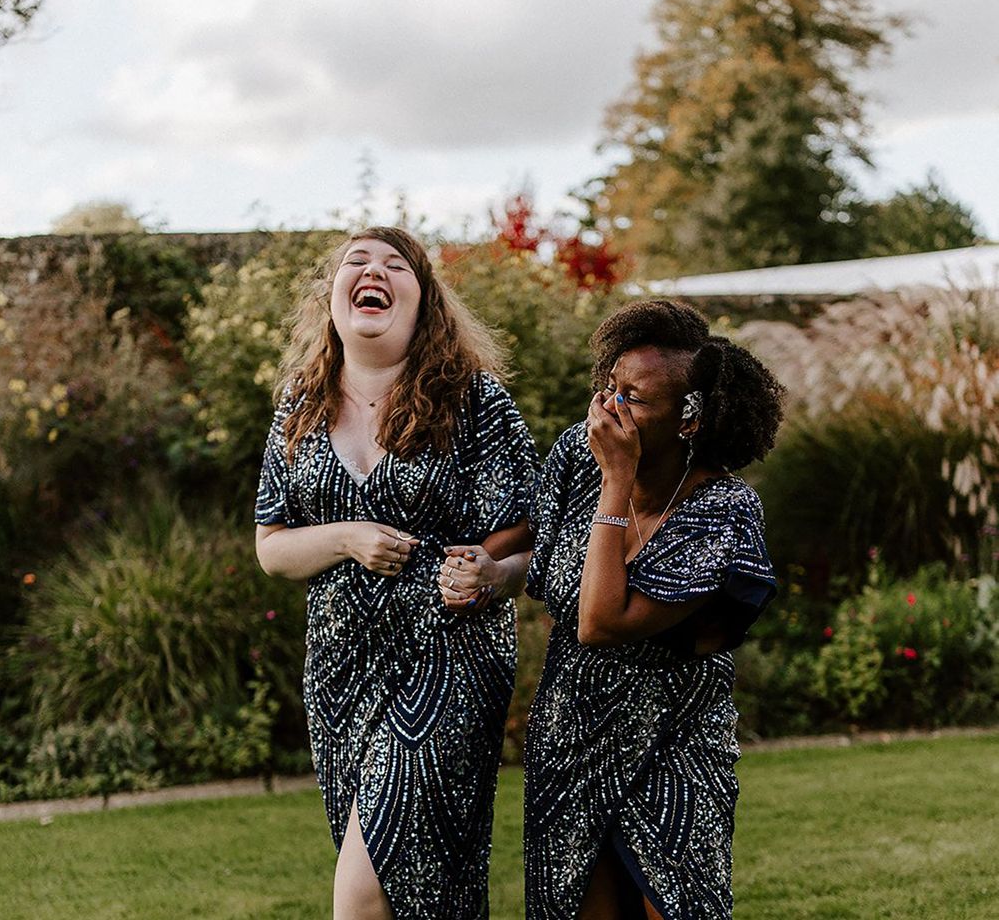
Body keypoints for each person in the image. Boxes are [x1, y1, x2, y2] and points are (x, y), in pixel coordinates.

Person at [254, 226, 539, 919]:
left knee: (362, 887)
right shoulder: (300, 404)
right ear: (334, 296)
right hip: (341, 671)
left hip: (448, 659)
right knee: (418, 892)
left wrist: (487, 571)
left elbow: (531, 527)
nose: (372, 271)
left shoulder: (472, 399)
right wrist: (348, 537)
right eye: (356, 262)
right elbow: (271, 545)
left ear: (423, 299)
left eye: (394, 266)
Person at [523, 299, 784, 920]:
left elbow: (600, 621)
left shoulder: (721, 510)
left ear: (689, 419)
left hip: (674, 739)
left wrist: (617, 482)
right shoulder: (576, 457)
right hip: (571, 734)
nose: (607, 410)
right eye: (609, 387)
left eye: (633, 398)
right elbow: (546, 573)